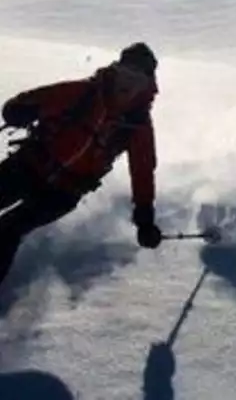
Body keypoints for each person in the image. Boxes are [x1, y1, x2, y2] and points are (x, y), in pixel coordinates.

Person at [0, 42, 163, 287]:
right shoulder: (83, 92)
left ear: (147, 84)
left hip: (64, 192)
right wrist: (18, 110)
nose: (127, 84)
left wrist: (145, 216)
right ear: (115, 70)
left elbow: (142, 170)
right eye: (124, 74)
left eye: (137, 79)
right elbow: (30, 100)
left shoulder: (137, 126)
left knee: (8, 230)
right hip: (28, 165)